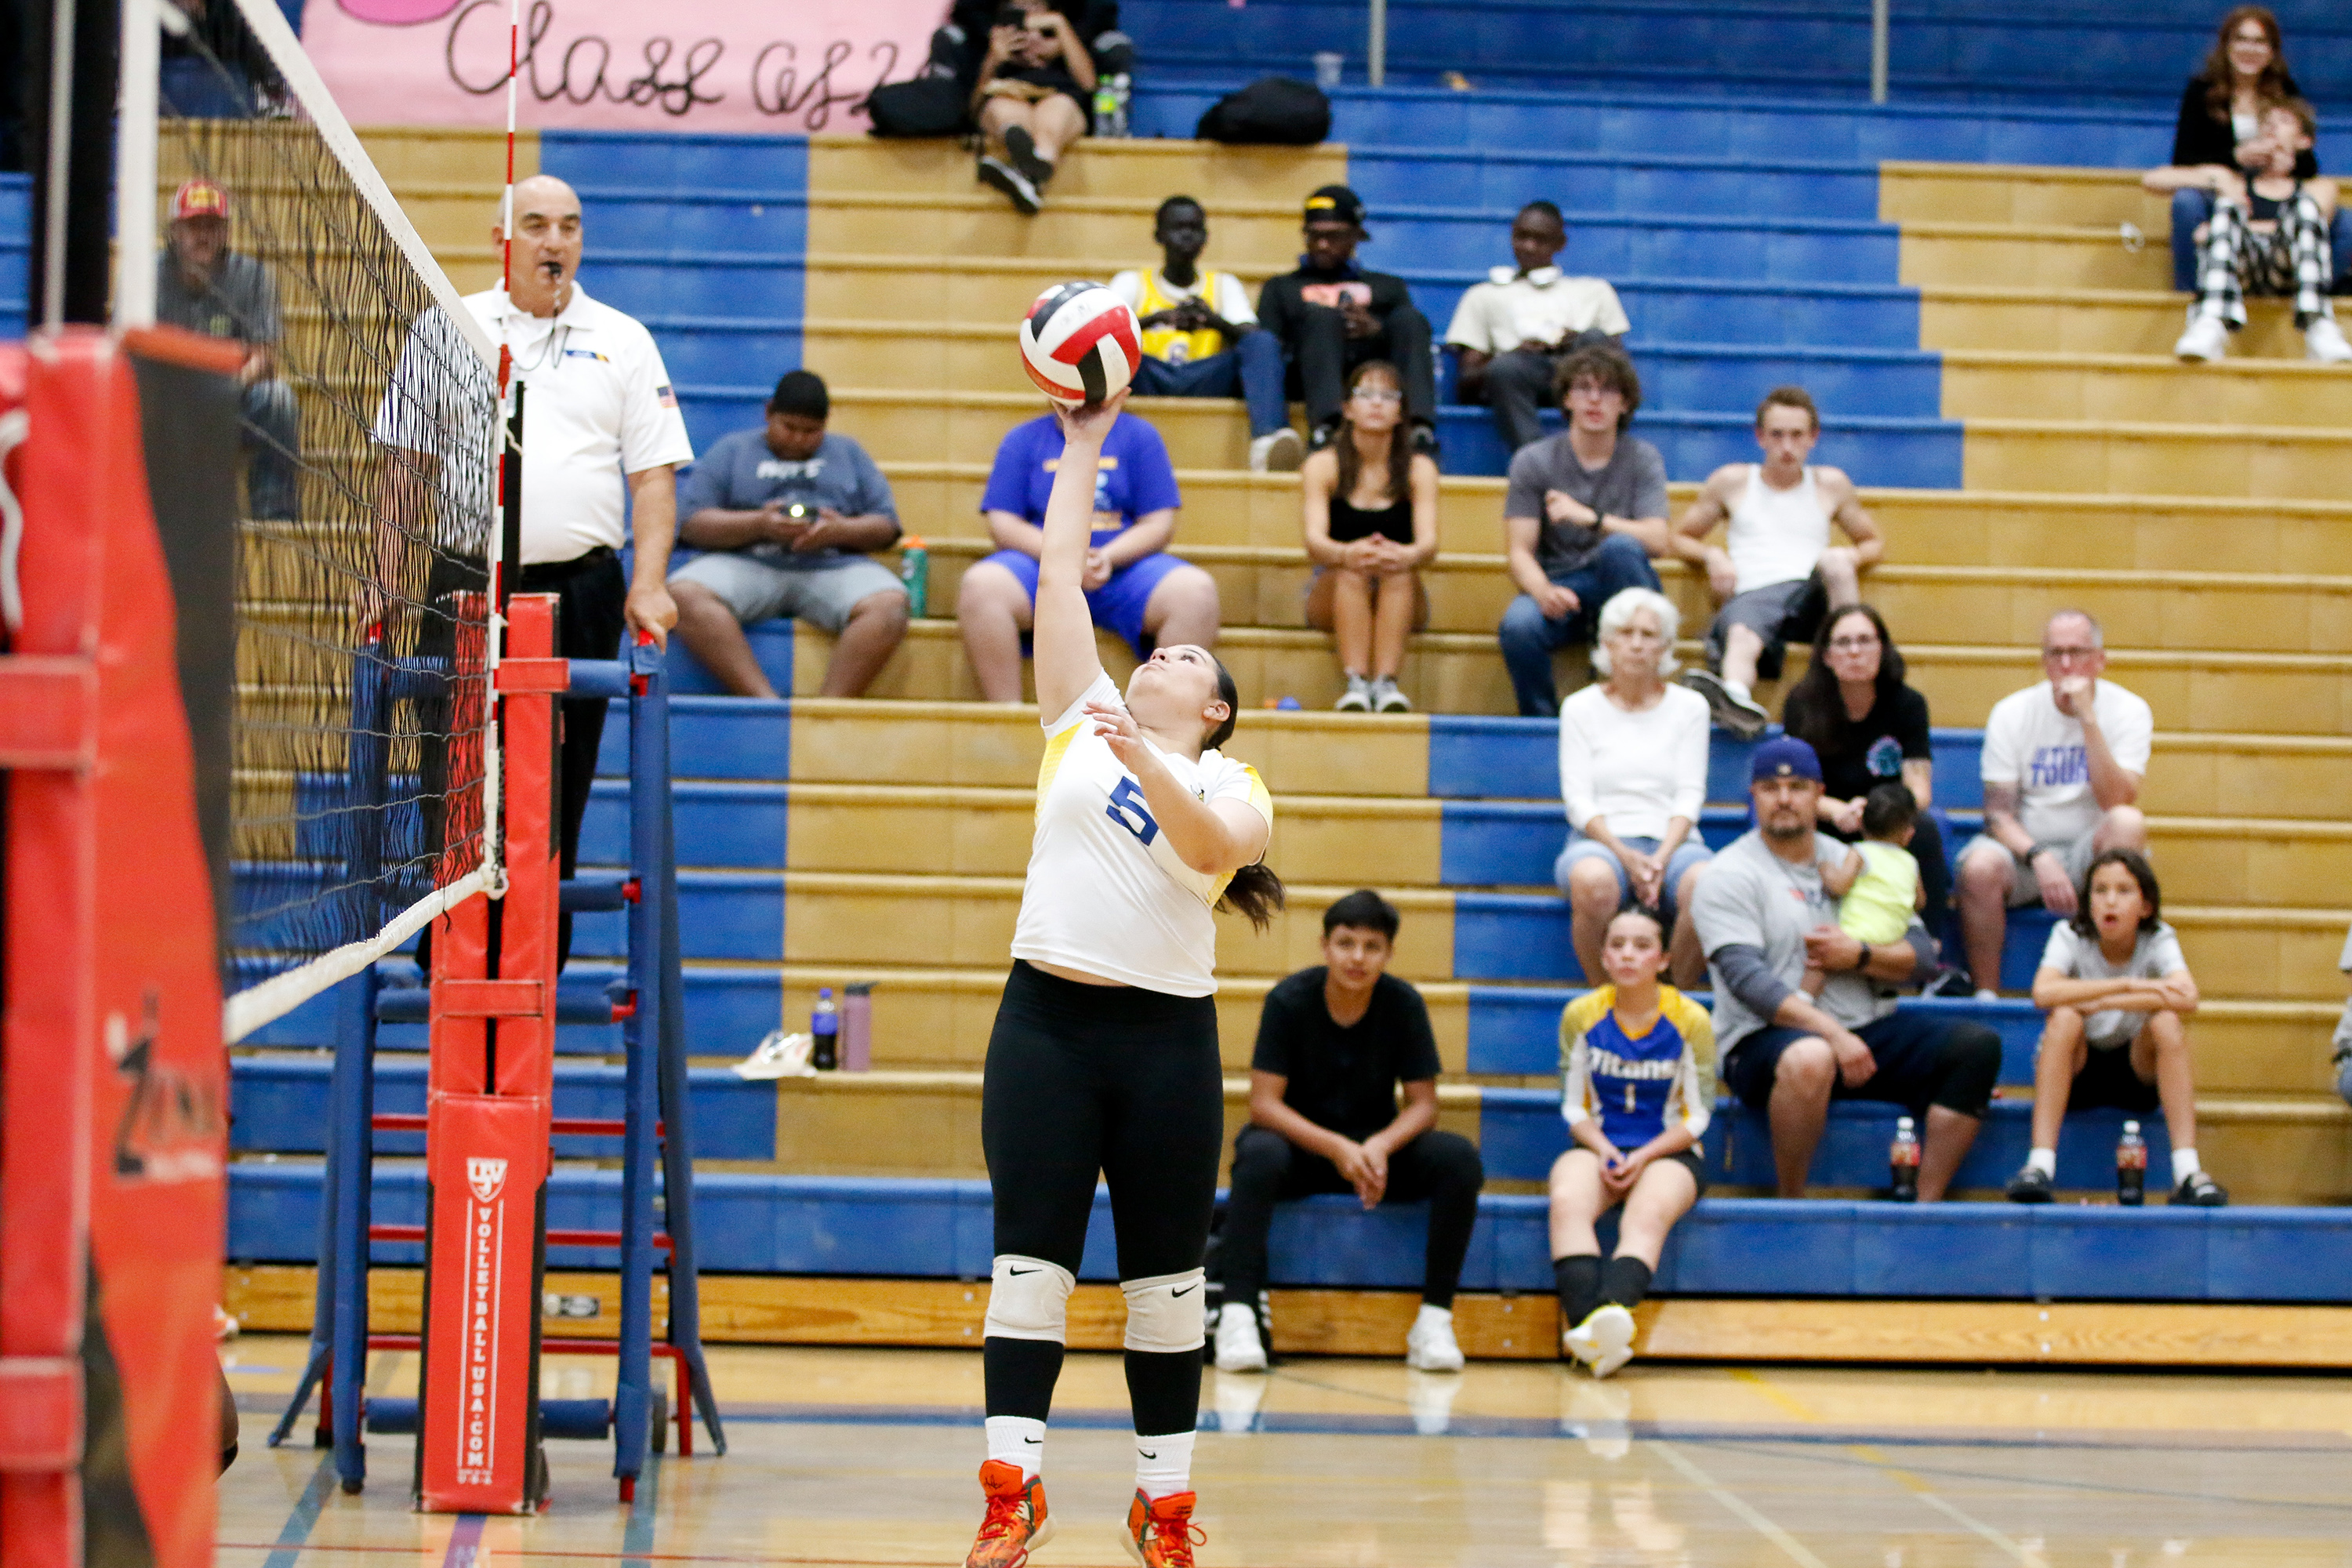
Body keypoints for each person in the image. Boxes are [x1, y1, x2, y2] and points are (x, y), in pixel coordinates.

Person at [963, 388, 1281, 1568]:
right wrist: (1084, 444)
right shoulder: (1077, 715)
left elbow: (1209, 847)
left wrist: (1143, 749)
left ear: (1217, 708)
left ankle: (1166, 1506)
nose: (1165, 653)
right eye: (1159, 647)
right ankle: (1012, 1494)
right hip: (1045, 1023)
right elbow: (1056, 586)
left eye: (1191, 656)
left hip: (1165, 1047)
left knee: (1166, 1288)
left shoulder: (1239, 784)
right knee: (1029, 1269)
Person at [376, 174, 689, 971]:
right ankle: (448, 935)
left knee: (559, 776)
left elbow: (653, 475)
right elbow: (405, 469)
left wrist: (648, 582)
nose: (555, 240)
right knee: (453, 771)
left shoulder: (622, 337)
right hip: (463, 581)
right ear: (502, 240)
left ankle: (536, 950)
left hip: (580, 587)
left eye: (570, 226)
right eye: (537, 224)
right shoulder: (448, 327)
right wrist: (382, 577)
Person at [1689, 737, 2002, 1201]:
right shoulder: (1728, 873)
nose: (1784, 799)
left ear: (1820, 793)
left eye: (1797, 786)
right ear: (1753, 796)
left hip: (1865, 1029)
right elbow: (1748, 982)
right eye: (1770, 788)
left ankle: (1924, 1203)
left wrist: (1857, 955)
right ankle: (1790, 1203)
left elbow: (1920, 957)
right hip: (1761, 1039)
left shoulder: (1857, 857)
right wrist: (1833, 1037)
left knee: (1976, 1047)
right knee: (1811, 1056)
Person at [1214, 890, 1485, 1377]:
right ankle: (1238, 1316)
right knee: (1257, 1151)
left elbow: (1424, 1106)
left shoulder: (1403, 1003)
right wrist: (1336, 1147)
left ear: (1389, 953)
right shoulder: (1289, 999)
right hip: (1305, 1150)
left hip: (1374, 1158)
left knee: (1458, 1158)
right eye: (1346, 943)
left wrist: (1378, 1147)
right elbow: (1264, 1104)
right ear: (1325, 945)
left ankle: (1435, 1320)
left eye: (1371, 946)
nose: (1357, 957)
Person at [2005, 850, 2227, 1207]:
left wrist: (2105, 1000)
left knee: (2168, 1023)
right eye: (2099, 890)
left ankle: (2188, 1172)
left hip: (2135, 1073)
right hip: (2078, 1072)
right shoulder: (2069, 933)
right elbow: (2043, 993)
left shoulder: (2157, 937)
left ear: (2146, 906)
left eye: (2124, 891)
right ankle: (2039, 1166)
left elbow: (2187, 997)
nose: (2110, 900)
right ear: (2087, 901)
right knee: (2064, 1018)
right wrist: (2129, 987)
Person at [667, 370, 908, 699]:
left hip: (831, 565)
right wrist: (759, 524)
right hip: (747, 562)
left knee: (890, 604)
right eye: (789, 427)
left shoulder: (849, 453)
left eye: (811, 432)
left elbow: (887, 526)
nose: (798, 439)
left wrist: (840, 531)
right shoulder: (732, 451)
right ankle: (763, 703)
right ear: (769, 413)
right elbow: (693, 523)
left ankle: (827, 709)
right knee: (684, 595)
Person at [1548, 904, 1713, 1380]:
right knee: (1566, 1200)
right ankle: (1594, 1334)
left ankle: (1592, 1332)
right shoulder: (1581, 1015)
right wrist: (1604, 1150)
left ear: (1662, 960)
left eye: (1642, 946)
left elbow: (1699, 1115)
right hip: (1599, 1143)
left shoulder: (1691, 1020)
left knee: (1647, 1212)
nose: (1628, 955)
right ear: (1603, 956)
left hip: (1669, 1149)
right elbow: (1573, 1107)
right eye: (1618, 945)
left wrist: (1642, 1156)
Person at [957, 405, 1218, 703]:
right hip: (1042, 569)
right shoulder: (1022, 439)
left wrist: (1106, 557)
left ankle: (1164, 722)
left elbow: (1159, 521)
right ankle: (1007, 715)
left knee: (1196, 593)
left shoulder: (1140, 436)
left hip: (1124, 571)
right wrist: (1065, 559)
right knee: (982, 586)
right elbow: (1002, 521)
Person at [1955, 611, 2152, 1000]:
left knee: (2128, 823)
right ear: (2043, 660)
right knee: (1979, 868)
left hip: (2091, 854)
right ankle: (1987, 996)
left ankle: (2111, 982)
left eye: (2076, 653)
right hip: (2028, 853)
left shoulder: (2129, 710)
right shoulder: (2012, 712)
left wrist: (2088, 721)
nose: (2065, 665)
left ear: (2100, 660)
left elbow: (2117, 800)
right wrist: (2039, 857)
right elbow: (1997, 815)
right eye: (2055, 653)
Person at [1673, 386, 1882, 739]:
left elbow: (1873, 542)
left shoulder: (1830, 484)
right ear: (1760, 437)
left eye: (1797, 435)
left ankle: (1851, 674)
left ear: (1813, 438)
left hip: (1809, 597)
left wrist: (1851, 555)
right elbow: (1678, 536)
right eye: (1777, 435)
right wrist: (1712, 554)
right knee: (1742, 633)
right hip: (1754, 594)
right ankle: (1735, 697)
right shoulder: (1733, 481)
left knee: (1836, 563)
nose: (1787, 447)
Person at [1494, 344, 1670, 717]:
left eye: (1607, 390)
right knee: (1519, 626)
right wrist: (1543, 591)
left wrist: (1591, 517)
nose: (1594, 399)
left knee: (1620, 549)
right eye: (1583, 388)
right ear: (1566, 399)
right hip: (1562, 583)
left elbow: (1658, 540)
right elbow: (1520, 551)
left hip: (1622, 585)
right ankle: (1543, 724)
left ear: (1624, 404)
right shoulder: (1533, 461)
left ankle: (1628, 702)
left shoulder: (1642, 458)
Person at [1555, 588, 1711, 987]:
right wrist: (1626, 857)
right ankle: (1607, 999)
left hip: (1674, 843)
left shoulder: (1691, 707)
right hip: (1601, 842)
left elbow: (1690, 795)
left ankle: (1671, 999)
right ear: (1608, 643)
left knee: (1707, 884)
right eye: (1626, 633)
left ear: (1665, 647)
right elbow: (1578, 801)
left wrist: (1659, 858)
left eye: (1649, 634)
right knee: (1592, 882)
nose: (1637, 644)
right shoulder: (1580, 707)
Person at [2146, 5, 2351, 296]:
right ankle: (2194, 293)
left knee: (2348, 223)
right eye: (2241, 39)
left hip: (2276, 189)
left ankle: (2310, 292)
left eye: (2259, 42)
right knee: (2186, 202)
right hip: (2223, 192)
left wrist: (2279, 157)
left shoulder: (2285, 90)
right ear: (2227, 46)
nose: (2250, 49)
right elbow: (2184, 161)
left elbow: (2308, 164)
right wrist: (2236, 159)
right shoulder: (2201, 91)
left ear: (2272, 51)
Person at [1778, 604, 1953, 919]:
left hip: (1885, 820)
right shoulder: (1802, 704)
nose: (1855, 651)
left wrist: (1875, 812)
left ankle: (1927, 946)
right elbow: (1792, 785)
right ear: (1827, 656)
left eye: (1865, 641)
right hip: (1824, 816)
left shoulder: (1908, 704)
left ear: (1882, 649)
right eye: (1843, 643)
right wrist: (1838, 811)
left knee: (1925, 827)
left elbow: (1919, 789)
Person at [1110, 197, 1301, 473]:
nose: (1187, 235)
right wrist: (1155, 319)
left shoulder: (1224, 284)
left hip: (1205, 376)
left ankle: (1267, 439)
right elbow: (1103, 333)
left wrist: (1214, 321)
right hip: (1148, 373)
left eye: (1195, 228)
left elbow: (1252, 336)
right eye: (1177, 228)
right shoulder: (1130, 282)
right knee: (1105, 347)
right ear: (1158, 235)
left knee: (1262, 342)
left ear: (1205, 237)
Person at [2159, 100, 2351, 364]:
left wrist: (2214, 230)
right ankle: (2210, 323)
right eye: (2267, 124)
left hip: (2288, 273)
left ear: (2304, 141)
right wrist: (2226, 170)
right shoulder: (2234, 181)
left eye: (2283, 122)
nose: (2272, 129)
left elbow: (2313, 224)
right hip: (2240, 271)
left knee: (2304, 211)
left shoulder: (2317, 187)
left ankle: (2318, 325)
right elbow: (2155, 179)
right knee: (2227, 206)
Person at [154, 178, 299, 521]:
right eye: (193, 226)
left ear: (225, 233)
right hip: (169, 402)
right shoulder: (150, 277)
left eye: (212, 226)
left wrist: (228, 386)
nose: (203, 235)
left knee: (278, 399)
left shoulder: (252, 276)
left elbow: (265, 355)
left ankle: (274, 514)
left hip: (231, 398)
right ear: (176, 231)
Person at [1255, 185, 1439, 453]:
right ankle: (1326, 429)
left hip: (1374, 378)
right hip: (1309, 376)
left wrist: (1377, 330)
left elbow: (1408, 343)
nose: (1322, 245)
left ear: (1356, 236)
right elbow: (1271, 352)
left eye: (1334, 236)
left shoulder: (1388, 286)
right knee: (1321, 318)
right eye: (1314, 236)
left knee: (1409, 320)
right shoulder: (1280, 288)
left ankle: (1419, 429)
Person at [1300, 361, 1439, 713]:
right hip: (1333, 589)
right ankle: (1357, 684)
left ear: (1400, 412)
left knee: (1398, 570)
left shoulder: (1419, 469)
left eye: (1387, 396)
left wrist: (1403, 555)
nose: (1376, 403)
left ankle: (1387, 684)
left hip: (1402, 589)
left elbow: (1428, 544)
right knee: (1353, 570)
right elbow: (1314, 542)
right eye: (1365, 394)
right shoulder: (1322, 465)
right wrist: (1350, 553)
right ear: (1347, 409)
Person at [1443, 201, 1632, 454]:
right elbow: (1466, 382)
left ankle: (1601, 453)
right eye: (1522, 237)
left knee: (1595, 339)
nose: (1529, 246)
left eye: (1540, 240)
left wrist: (1576, 347)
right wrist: (1516, 353)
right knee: (1504, 368)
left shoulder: (1595, 291)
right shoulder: (1483, 295)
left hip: (1581, 374)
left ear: (1560, 244)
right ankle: (1537, 466)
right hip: (1525, 375)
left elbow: (1621, 369)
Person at [970, 0, 1096, 214]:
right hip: (1008, 95)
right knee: (1007, 111)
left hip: (1059, 96)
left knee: (1056, 110)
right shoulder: (989, 40)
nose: (1029, 17)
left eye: (1036, 8)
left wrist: (1060, 29)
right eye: (1020, 11)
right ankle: (1030, 176)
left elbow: (1089, 84)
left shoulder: (1065, 35)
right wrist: (994, 58)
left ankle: (1024, 175)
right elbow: (972, 105)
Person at [1800, 782, 1923, 1000]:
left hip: (1857, 934)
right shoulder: (1910, 862)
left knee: (1821, 953)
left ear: (1861, 825)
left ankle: (1804, 998)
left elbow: (1839, 887)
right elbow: (1920, 901)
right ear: (1908, 834)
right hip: (1893, 939)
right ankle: (1881, 989)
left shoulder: (1860, 852)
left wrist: (1826, 869)